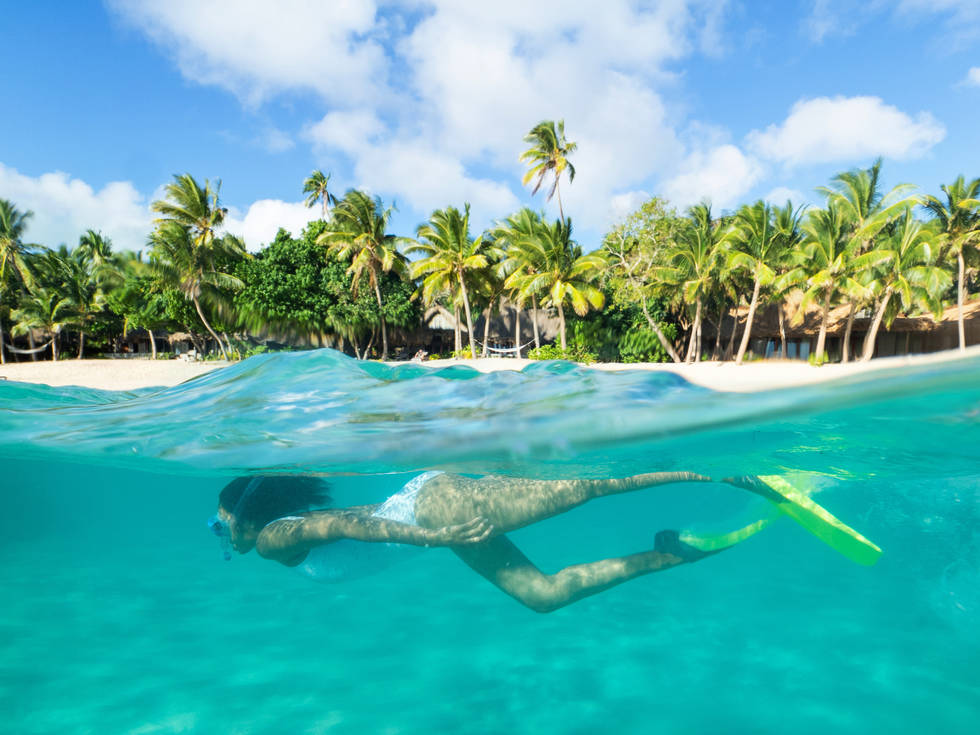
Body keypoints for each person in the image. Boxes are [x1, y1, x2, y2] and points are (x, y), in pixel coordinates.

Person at [209, 471, 727, 613]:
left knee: (580, 489)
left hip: (438, 513)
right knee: (542, 596)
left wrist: (430, 537)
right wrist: (431, 536)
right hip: (436, 512)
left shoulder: (277, 538)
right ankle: (668, 553)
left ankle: (711, 475)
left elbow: (344, 529)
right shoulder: (290, 524)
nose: (222, 535)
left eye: (220, 524)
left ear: (244, 520)